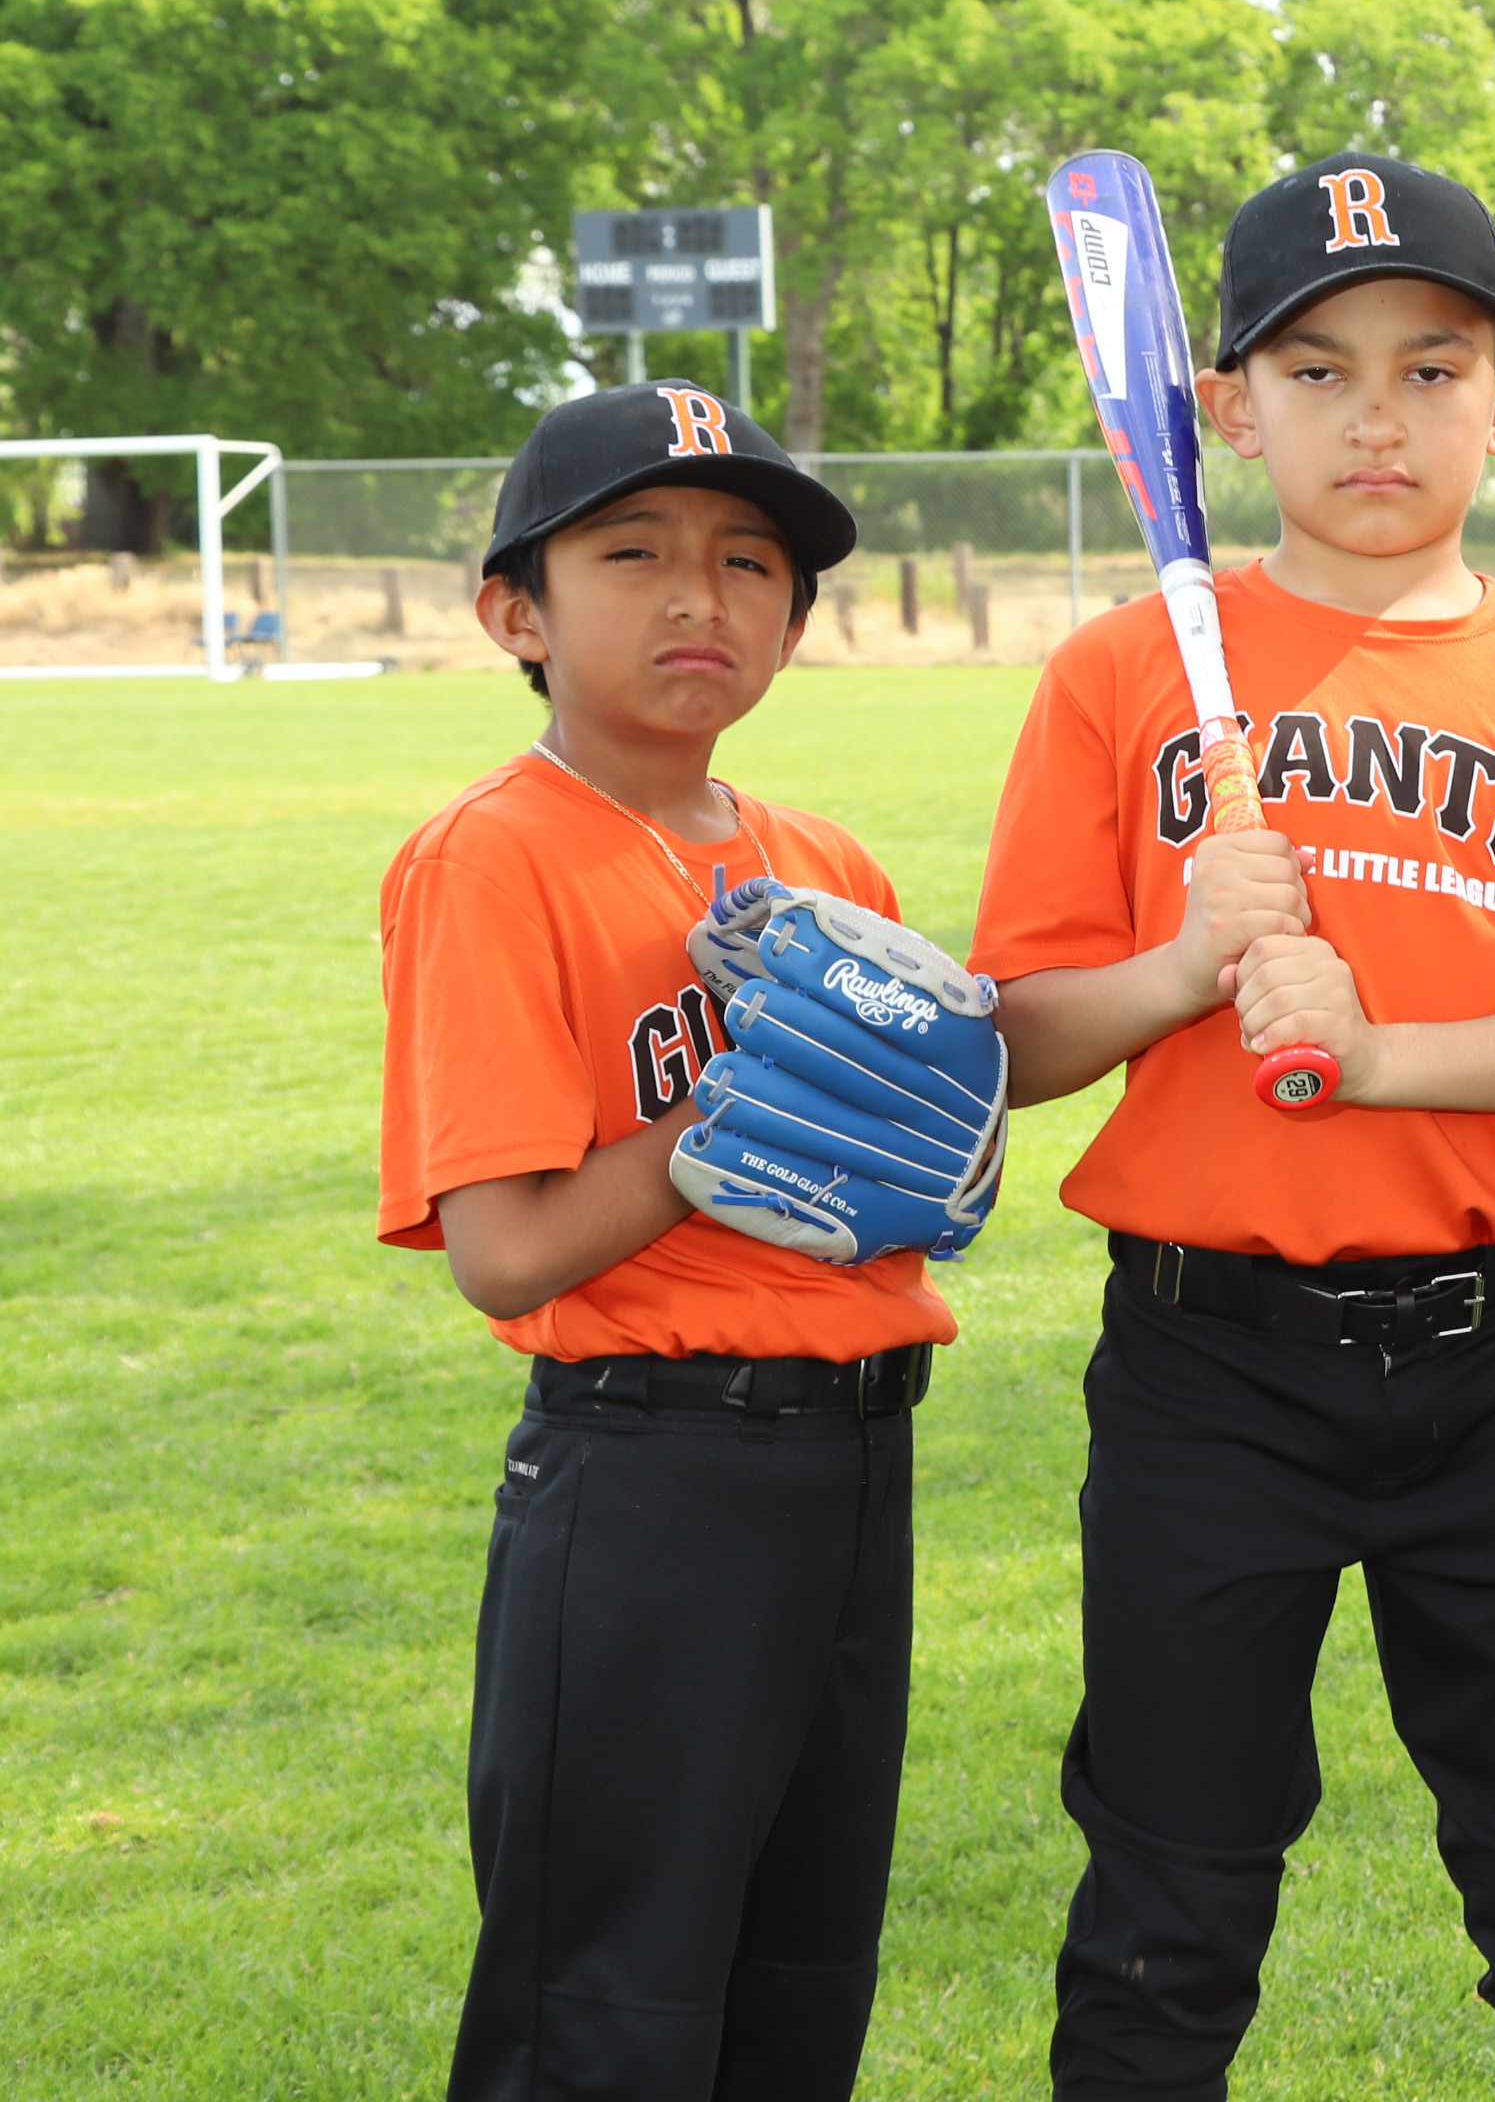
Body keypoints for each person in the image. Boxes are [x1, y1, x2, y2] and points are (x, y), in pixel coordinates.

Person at [973, 154, 1495, 2102]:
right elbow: (1018, 1040)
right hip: (1207, 1364)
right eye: (1316, 371)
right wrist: (1179, 964)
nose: (1377, 415)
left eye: (1430, 367)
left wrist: (1375, 1056)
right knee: (1170, 1880)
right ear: (1226, 410)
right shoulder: (1119, 674)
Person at [379, 379, 977, 2101]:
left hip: (854, 1467)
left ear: (795, 621)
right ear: (516, 613)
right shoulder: (494, 856)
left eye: (748, 563)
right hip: (651, 1482)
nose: (698, 596)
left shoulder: (821, 863)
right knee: (611, 2014)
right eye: (632, 553)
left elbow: (905, 1176)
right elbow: (505, 1252)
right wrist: (740, 1111)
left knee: (801, 1985)